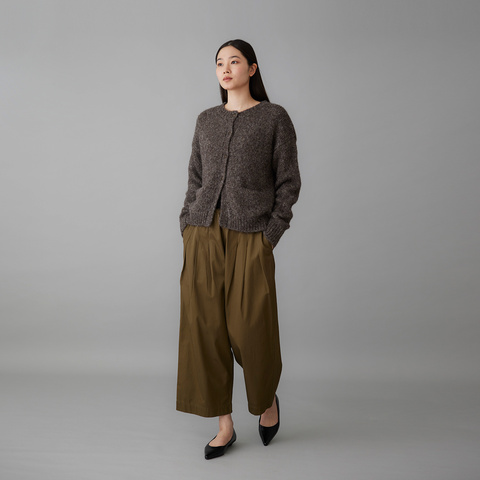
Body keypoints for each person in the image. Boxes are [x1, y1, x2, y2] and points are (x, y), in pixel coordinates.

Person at [176, 38, 301, 460]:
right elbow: (195, 178)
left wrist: (271, 233)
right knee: (205, 331)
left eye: (234, 61)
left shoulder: (273, 117)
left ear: (252, 68)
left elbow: (288, 182)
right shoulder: (206, 120)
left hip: (250, 235)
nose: (225, 69)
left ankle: (266, 402)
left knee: (251, 328)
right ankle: (224, 426)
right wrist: (187, 222)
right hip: (202, 234)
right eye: (219, 63)